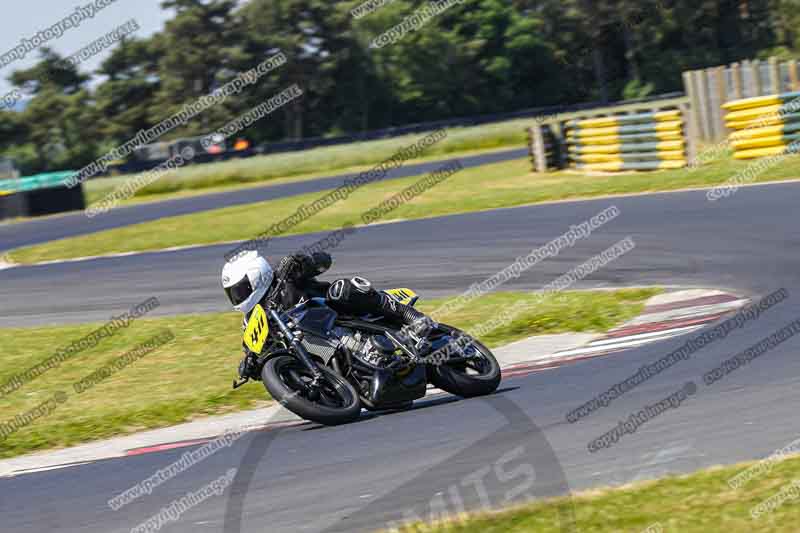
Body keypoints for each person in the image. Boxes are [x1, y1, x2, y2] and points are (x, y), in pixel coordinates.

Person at [221, 249, 437, 347]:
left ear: (256, 276)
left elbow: (325, 260)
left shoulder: (284, 275)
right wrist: (250, 363)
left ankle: (412, 317)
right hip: (317, 346)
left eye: (240, 290)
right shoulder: (251, 320)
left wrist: (302, 260)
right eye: (233, 293)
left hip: (339, 314)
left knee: (342, 289)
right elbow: (254, 347)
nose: (238, 297)